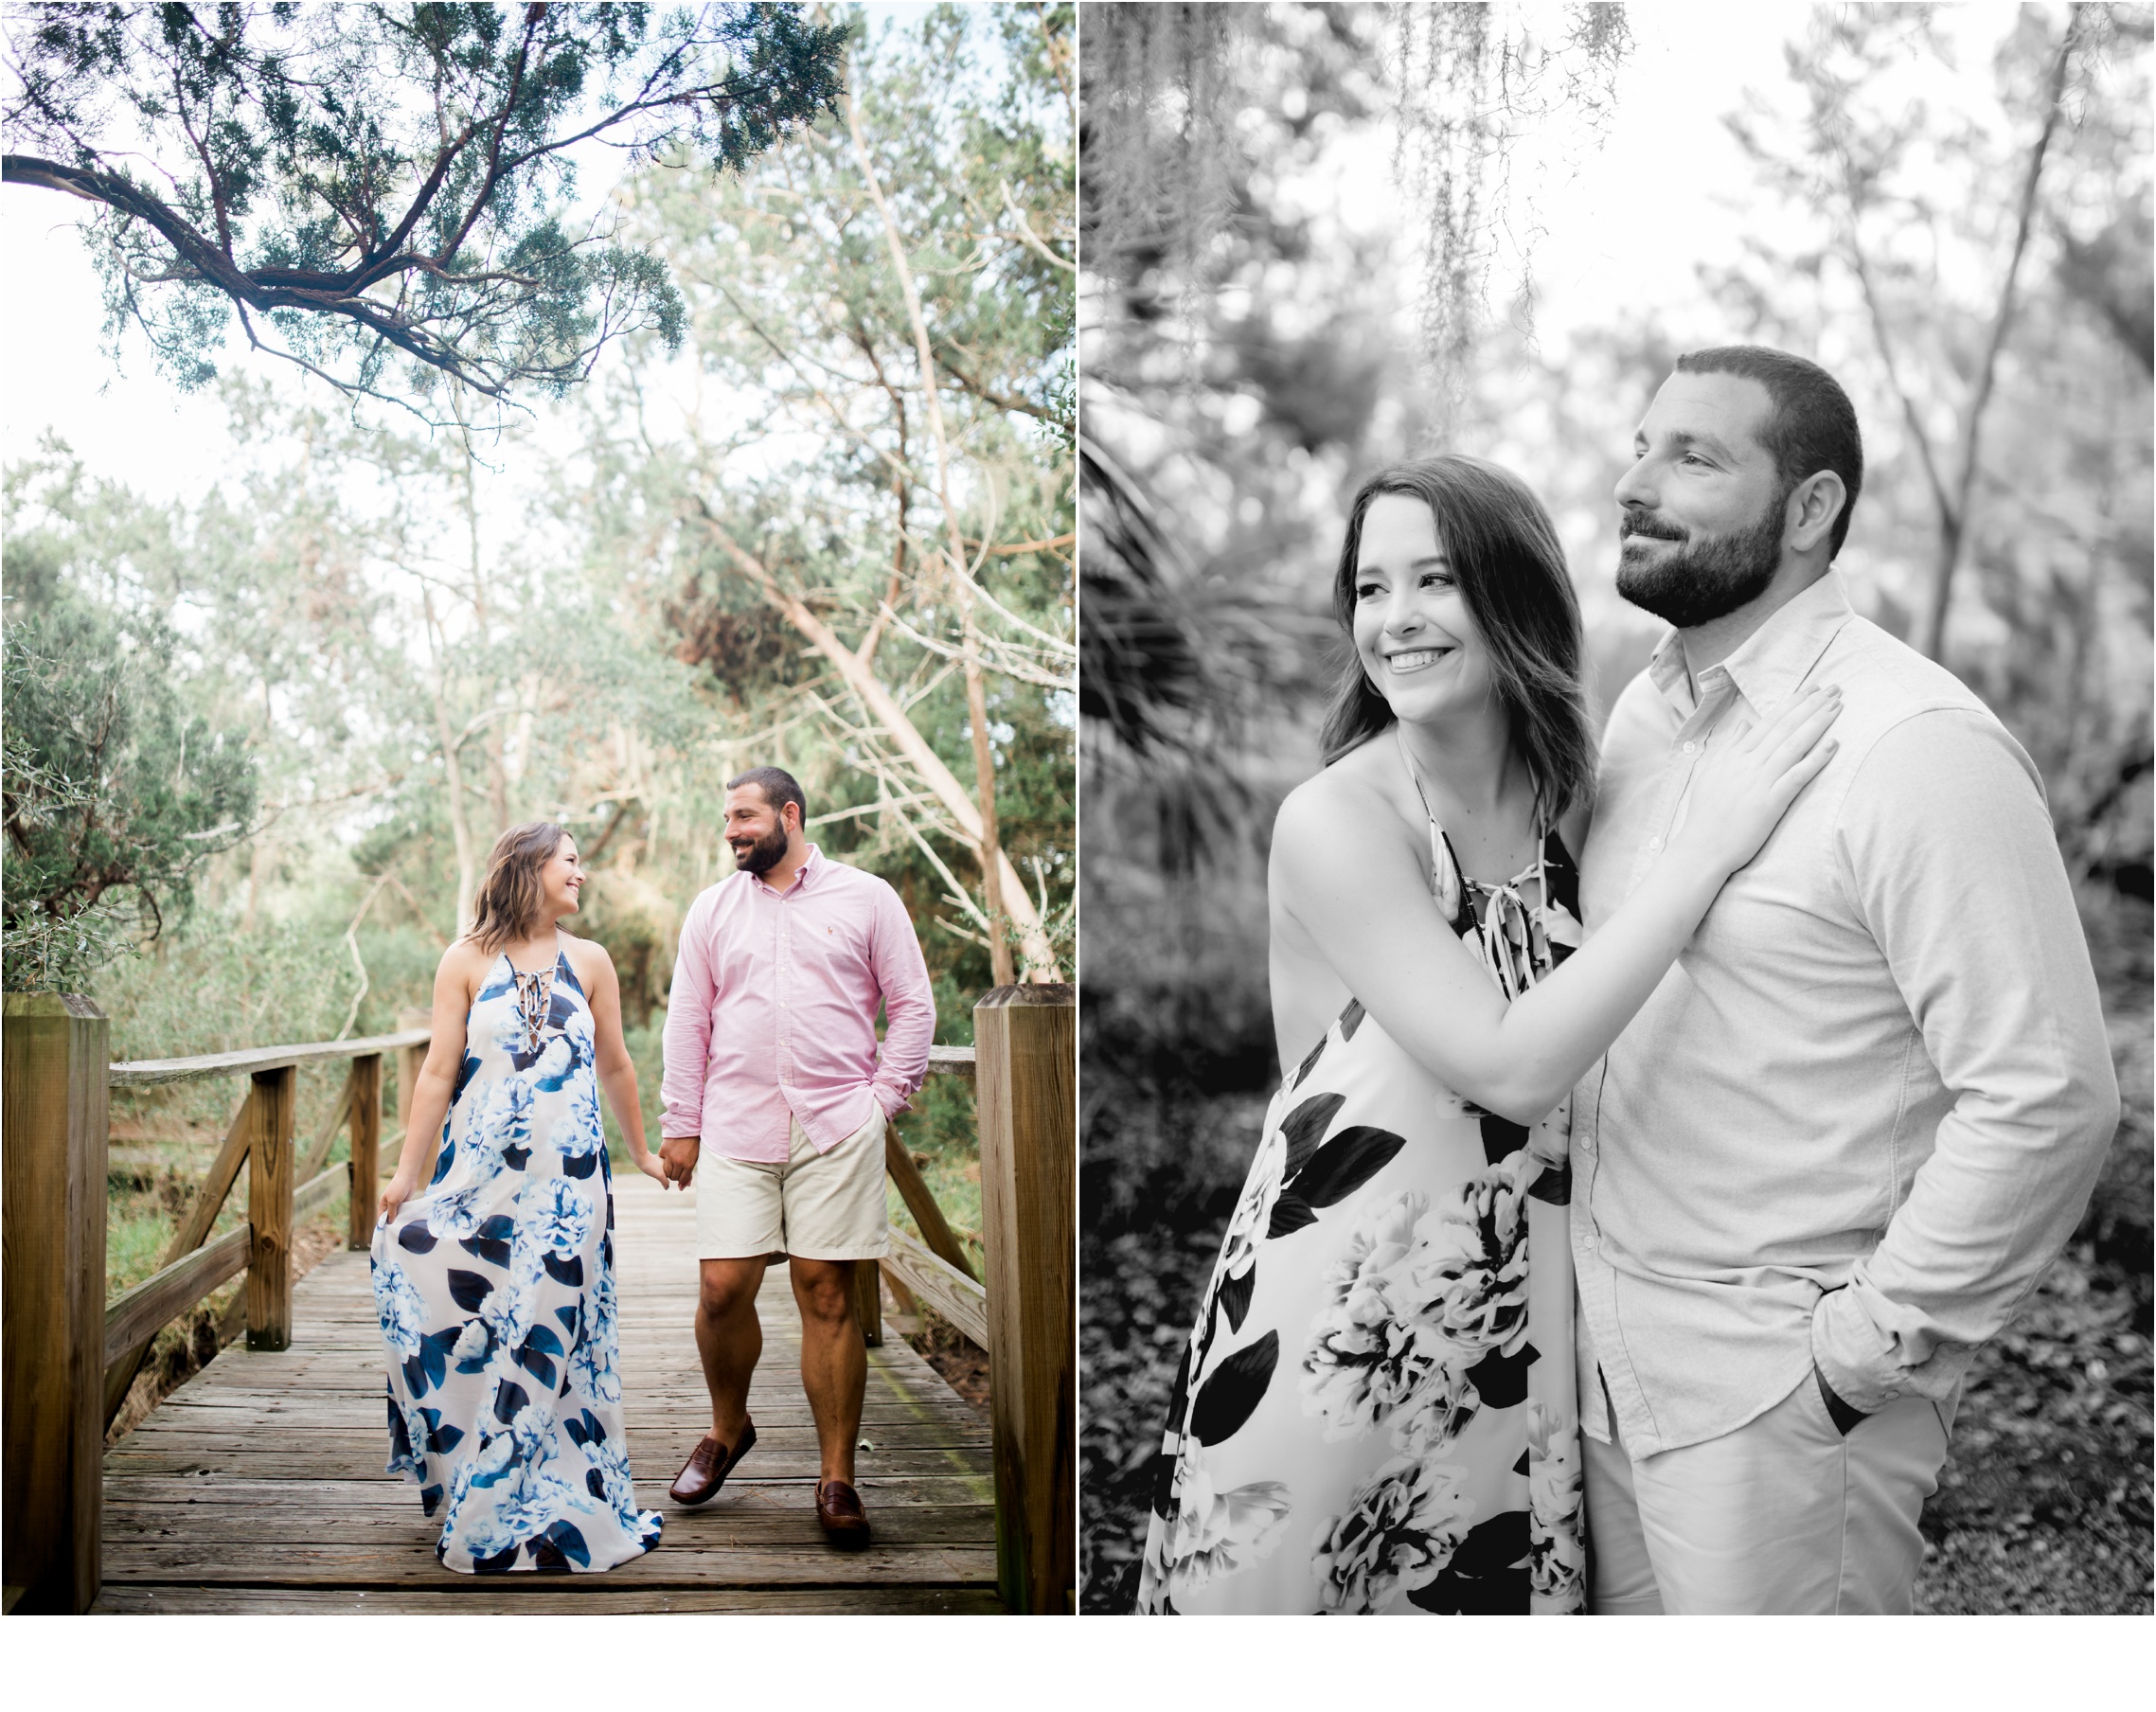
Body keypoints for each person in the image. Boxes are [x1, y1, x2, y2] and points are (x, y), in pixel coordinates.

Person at [1134, 455, 1843, 1614]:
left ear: (1512, 596)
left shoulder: (1575, 792)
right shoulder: (1337, 820)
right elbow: (1515, 1064)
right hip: (1342, 1333)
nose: (1395, 619)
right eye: (1370, 587)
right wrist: (1705, 846)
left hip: (1523, 1328)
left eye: (1436, 580)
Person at [1572, 345, 2119, 1615]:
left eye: (1691, 456)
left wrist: (1859, 1359)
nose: (1632, 484)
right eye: (1639, 446)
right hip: (1597, 1369)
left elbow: (2047, 1093)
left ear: (1809, 509)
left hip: (1778, 1403)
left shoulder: (1915, 748)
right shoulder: (1638, 720)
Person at [371, 822, 670, 1574]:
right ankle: (477, 1478)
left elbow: (619, 1067)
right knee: (433, 1278)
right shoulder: (464, 960)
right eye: (571, 862)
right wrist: (407, 1177)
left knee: (556, 1334)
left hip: (570, 1186)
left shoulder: (592, 961)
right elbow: (439, 1072)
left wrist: (640, 1151)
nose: (582, 874)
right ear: (531, 867)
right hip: (482, 1180)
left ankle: (562, 1495)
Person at [657, 766, 935, 1546]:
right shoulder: (712, 910)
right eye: (725, 819)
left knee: (827, 1293)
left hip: (834, 1125)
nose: (731, 831)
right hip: (737, 1123)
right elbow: (688, 1020)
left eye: (743, 816)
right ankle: (727, 1428)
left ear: (789, 813)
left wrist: (882, 1099)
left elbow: (911, 1003)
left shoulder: (866, 897)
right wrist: (683, 1121)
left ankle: (837, 1476)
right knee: (722, 1286)